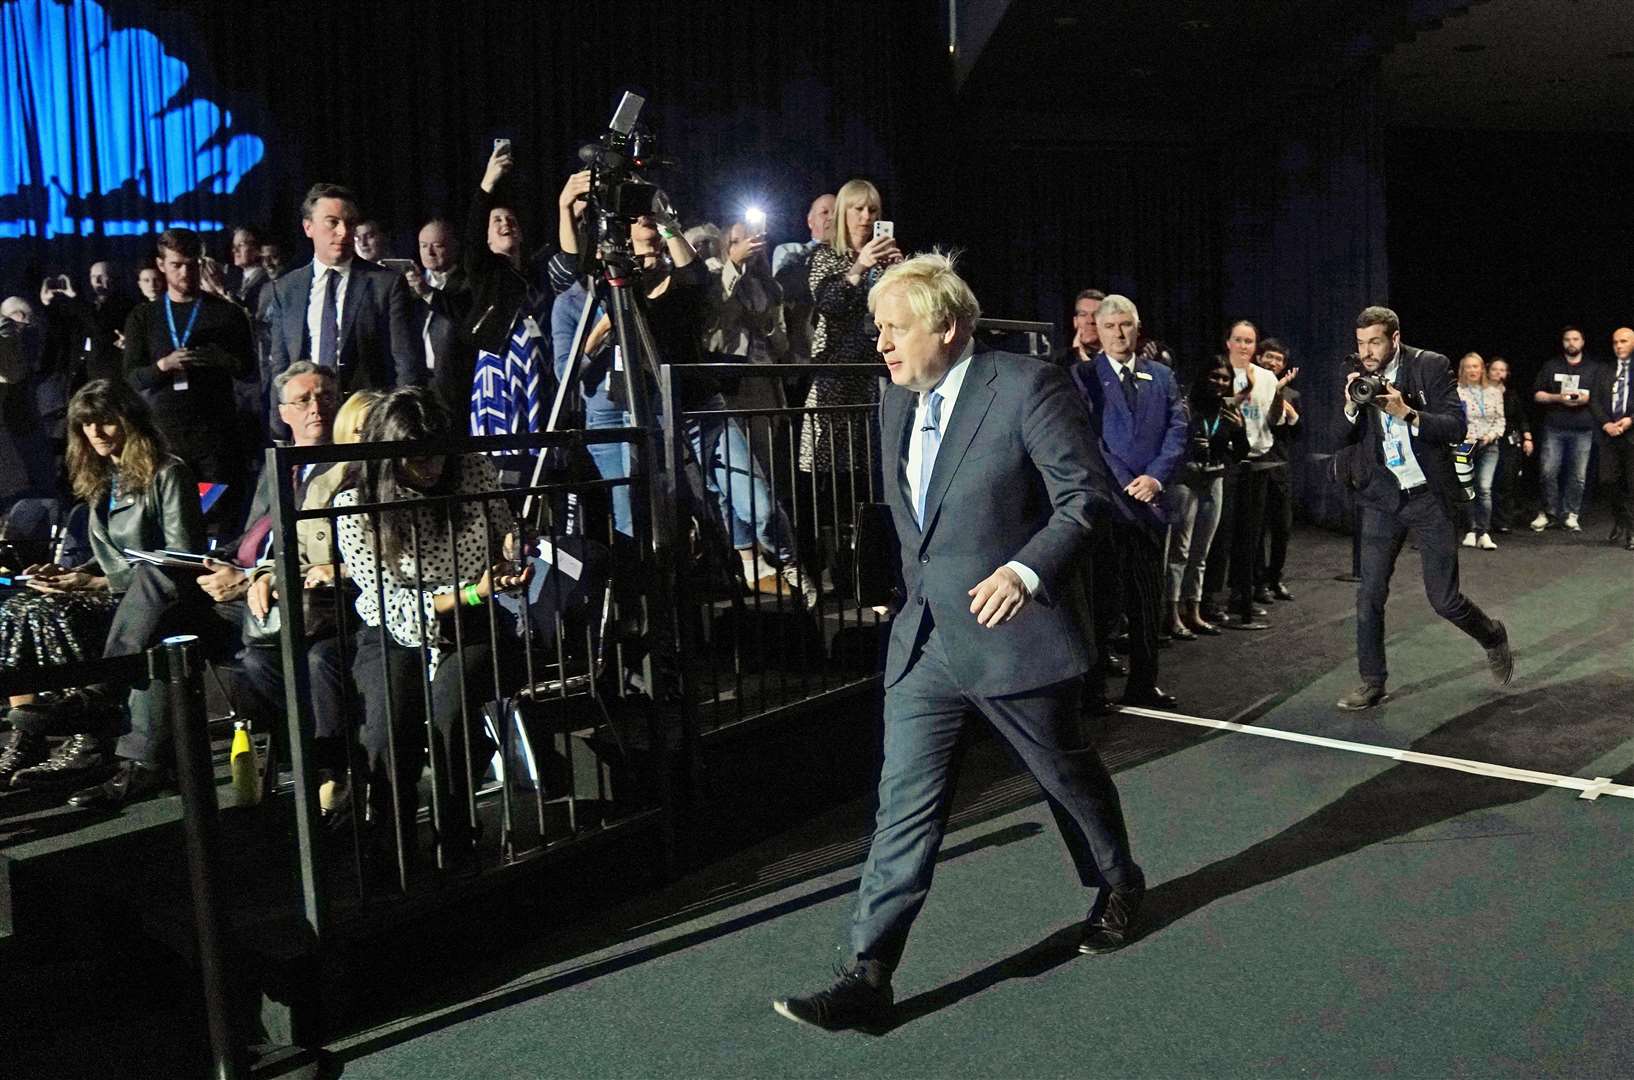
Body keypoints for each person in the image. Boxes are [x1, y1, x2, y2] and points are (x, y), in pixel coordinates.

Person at [772, 253, 1142, 1033]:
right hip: (925, 644)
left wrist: (1025, 572)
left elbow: (1083, 499)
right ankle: (869, 972)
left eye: (894, 327)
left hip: (1014, 634)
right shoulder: (892, 403)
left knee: (1064, 775)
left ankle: (1117, 881)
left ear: (948, 325)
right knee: (903, 806)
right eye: (877, 328)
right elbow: (918, 526)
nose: (882, 343)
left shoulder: (1027, 385)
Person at [332, 387, 529, 874]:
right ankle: (390, 845)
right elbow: (384, 600)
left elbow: (506, 529)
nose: (431, 468)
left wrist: (511, 554)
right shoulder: (357, 504)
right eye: (416, 460)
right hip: (394, 625)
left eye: (436, 455)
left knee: (452, 709)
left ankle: (456, 837)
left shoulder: (473, 471)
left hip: (475, 621)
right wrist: (470, 592)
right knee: (387, 725)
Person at [1, 380, 206, 794]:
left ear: (129, 421)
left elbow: (178, 558)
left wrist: (93, 581)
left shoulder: (169, 472)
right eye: (86, 425)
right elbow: (112, 552)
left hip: (158, 599)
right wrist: (68, 574)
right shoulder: (103, 480)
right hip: (114, 590)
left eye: (105, 421)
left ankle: (89, 732)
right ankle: (29, 736)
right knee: (19, 606)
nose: (95, 432)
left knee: (58, 612)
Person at [1335, 305, 1511, 711]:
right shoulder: (1356, 374)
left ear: (1394, 339)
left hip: (1429, 497)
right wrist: (1350, 406)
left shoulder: (1430, 365)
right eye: (1361, 343)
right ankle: (1372, 681)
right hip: (1383, 496)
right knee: (1369, 594)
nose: (1366, 351)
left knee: (1444, 601)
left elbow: (1457, 426)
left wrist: (1408, 413)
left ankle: (1492, 635)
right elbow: (1340, 436)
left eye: (1374, 342)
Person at [1071, 294, 1186, 708]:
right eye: (1110, 327)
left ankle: (1144, 683)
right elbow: (1089, 441)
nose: (1119, 334)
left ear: (1138, 328)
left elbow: (1178, 428)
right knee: (1103, 602)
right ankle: (1094, 689)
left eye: (1126, 326)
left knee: (1146, 601)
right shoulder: (1082, 377)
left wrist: (1155, 478)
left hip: (1152, 507)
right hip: (1110, 507)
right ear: (1097, 331)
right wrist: (1127, 483)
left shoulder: (1162, 375)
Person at [798, 179, 901, 585]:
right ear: (842, 214)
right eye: (858, 210)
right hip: (835, 384)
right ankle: (817, 568)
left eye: (873, 211)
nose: (866, 218)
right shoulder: (827, 257)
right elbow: (829, 303)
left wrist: (898, 270)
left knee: (867, 482)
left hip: (875, 380)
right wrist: (859, 268)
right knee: (823, 483)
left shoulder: (886, 261)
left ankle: (866, 572)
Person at [121, 228, 256, 528]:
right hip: (165, 439)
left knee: (215, 519)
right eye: (177, 265)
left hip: (215, 439)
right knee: (170, 521)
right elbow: (132, 377)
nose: (186, 272)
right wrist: (163, 366)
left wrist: (224, 361)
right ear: (160, 265)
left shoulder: (226, 314)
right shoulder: (144, 317)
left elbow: (249, 370)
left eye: (192, 264)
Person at [459, 147, 582, 468]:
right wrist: (487, 184)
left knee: (542, 461)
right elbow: (471, 239)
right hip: (500, 373)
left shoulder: (537, 269)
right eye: (496, 221)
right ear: (487, 238)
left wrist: (574, 213)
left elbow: (568, 257)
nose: (504, 224)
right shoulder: (485, 271)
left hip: (539, 374)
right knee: (504, 461)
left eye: (510, 219)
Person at [265, 183, 421, 401]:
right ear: (308, 227)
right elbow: (280, 368)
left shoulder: (385, 284)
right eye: (333, 222)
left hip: (368, 415)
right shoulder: (287, 288)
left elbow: (406, 362)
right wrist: (280, 431)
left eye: (350, 223)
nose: (344, 232)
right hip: (309, 417)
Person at [1202, 320, 1279, 629]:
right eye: (1239, 340)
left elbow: (1269, 417)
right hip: (1227, 462)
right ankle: (1209, 599)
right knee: (1222, 535)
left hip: (1258, 461)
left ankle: (1241, 595)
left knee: (1252, 535)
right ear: (1228, 343)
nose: (1245, 346)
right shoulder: (1220, 374)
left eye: (1250, 341)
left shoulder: (1267, 377)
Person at [1165, 356, 1245, 639]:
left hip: (1215, 480)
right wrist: (1190, 443)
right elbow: (1170, 445)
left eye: (1225, 379)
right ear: (1203, 377)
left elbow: (1240, 453)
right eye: (1215, 377)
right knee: (1180, 551)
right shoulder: (1186, 407)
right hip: (1185, 481)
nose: (1220, 383)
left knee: (1201, 552)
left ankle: (1193, 611)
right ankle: (1171, 614)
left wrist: (1239, 431)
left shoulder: (1228, 409)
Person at [1529, 326, 1598, 532]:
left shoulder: (1593, 368)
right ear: (1563, 342)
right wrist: (1557, 398)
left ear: (1582, 342)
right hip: (1555, 427)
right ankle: (1549, 513)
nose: (1571, 343)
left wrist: (1587, 399)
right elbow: (1537, 394)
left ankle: (1570, 514)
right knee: (1548, 471)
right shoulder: (1552, 365)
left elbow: (1602, 397)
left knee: (1578, 475)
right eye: (1567, 339)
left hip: (1583, 428)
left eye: (1575, 339)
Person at [405, 218, 470, 401]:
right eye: (423, 246)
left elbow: (462, 313)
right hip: (415, 383)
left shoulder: (468, 282)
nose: (429, 252)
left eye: (437, 246)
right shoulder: (408, 285)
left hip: (453, 386)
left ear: (454, 246)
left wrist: (427, 293)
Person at [1255, 338, 1301, 600]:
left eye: (1279, 359)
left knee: (1282, 528)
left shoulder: (1292, 395)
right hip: (1256, 467)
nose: (1273, 362)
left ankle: (1276, 578)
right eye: (1269, 356)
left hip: (1280, 467)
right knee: (1257, 529)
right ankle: (1258, 583)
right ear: (1259, 358)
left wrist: (1289, 410)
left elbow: (1297, 433)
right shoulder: (1248, 387)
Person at [772, 192, 836, 370]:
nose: (832, 218)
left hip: (838, 355)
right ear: (810, 221)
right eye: (825, 212)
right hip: (801, 354)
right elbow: (785, 288)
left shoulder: (852, 259)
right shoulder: (790, 250)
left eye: (837, 213)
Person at [1589, 327, 1634, 549]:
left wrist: (1630, 420)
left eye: (1624, 341)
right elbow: (1594, 400)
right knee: (1608, 481)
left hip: (1631, 433)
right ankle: (1621, 520)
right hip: (1609, 435)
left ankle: (1632, 531)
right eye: (1616, 342)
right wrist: (1606, 423)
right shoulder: (1604, 370)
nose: (1619, 346)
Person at [1455, 351, 1504, 550]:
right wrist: (1462, 435)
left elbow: (1500, 420)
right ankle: (1470, 530)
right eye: (1468, 367)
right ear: (1463, 370)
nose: (1472, 370)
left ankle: (1483, 532)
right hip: (1465, 445)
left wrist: (1491, 435)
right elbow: (1452, 419)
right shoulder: (1456, 392)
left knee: (1484, 488)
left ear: (1482, 369)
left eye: (1476, 366)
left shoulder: (1494, 391)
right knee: (1467, 489)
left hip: (1488, 445)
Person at [1486, 355, 1532, 534]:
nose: (1498, 373)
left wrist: (1528, 438)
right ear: (1488, 371)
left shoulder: (1511, 393)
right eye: (1495, 369)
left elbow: (1521, 417)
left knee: (1506, 481)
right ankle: (1483, 520)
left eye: (1502, 370)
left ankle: (1503, 520)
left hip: (1509, 440)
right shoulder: (1480, 392)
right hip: (1487, 438)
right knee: (1487, 482)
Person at [1049, 288, 1105, 369]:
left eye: (1096, 314)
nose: (1090, 320)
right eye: (1083, 314)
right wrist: (1077, 354)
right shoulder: (1057, 361)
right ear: (1075, 322)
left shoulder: (1119, 358)